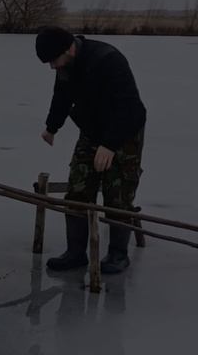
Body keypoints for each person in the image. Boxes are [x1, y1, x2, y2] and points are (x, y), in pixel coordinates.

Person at [35, 26, 146, 274]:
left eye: (54, 60)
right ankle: (75, 253)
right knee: (77, 189)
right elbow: (61, 96)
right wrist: (51, 127)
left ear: (69, 49)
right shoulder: (65, 65)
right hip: (92, 130)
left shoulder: (108, 60)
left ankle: (118, 254)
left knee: (117, 193)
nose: (53, 67)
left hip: (124, 131)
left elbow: (130, 107)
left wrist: (110, 145)